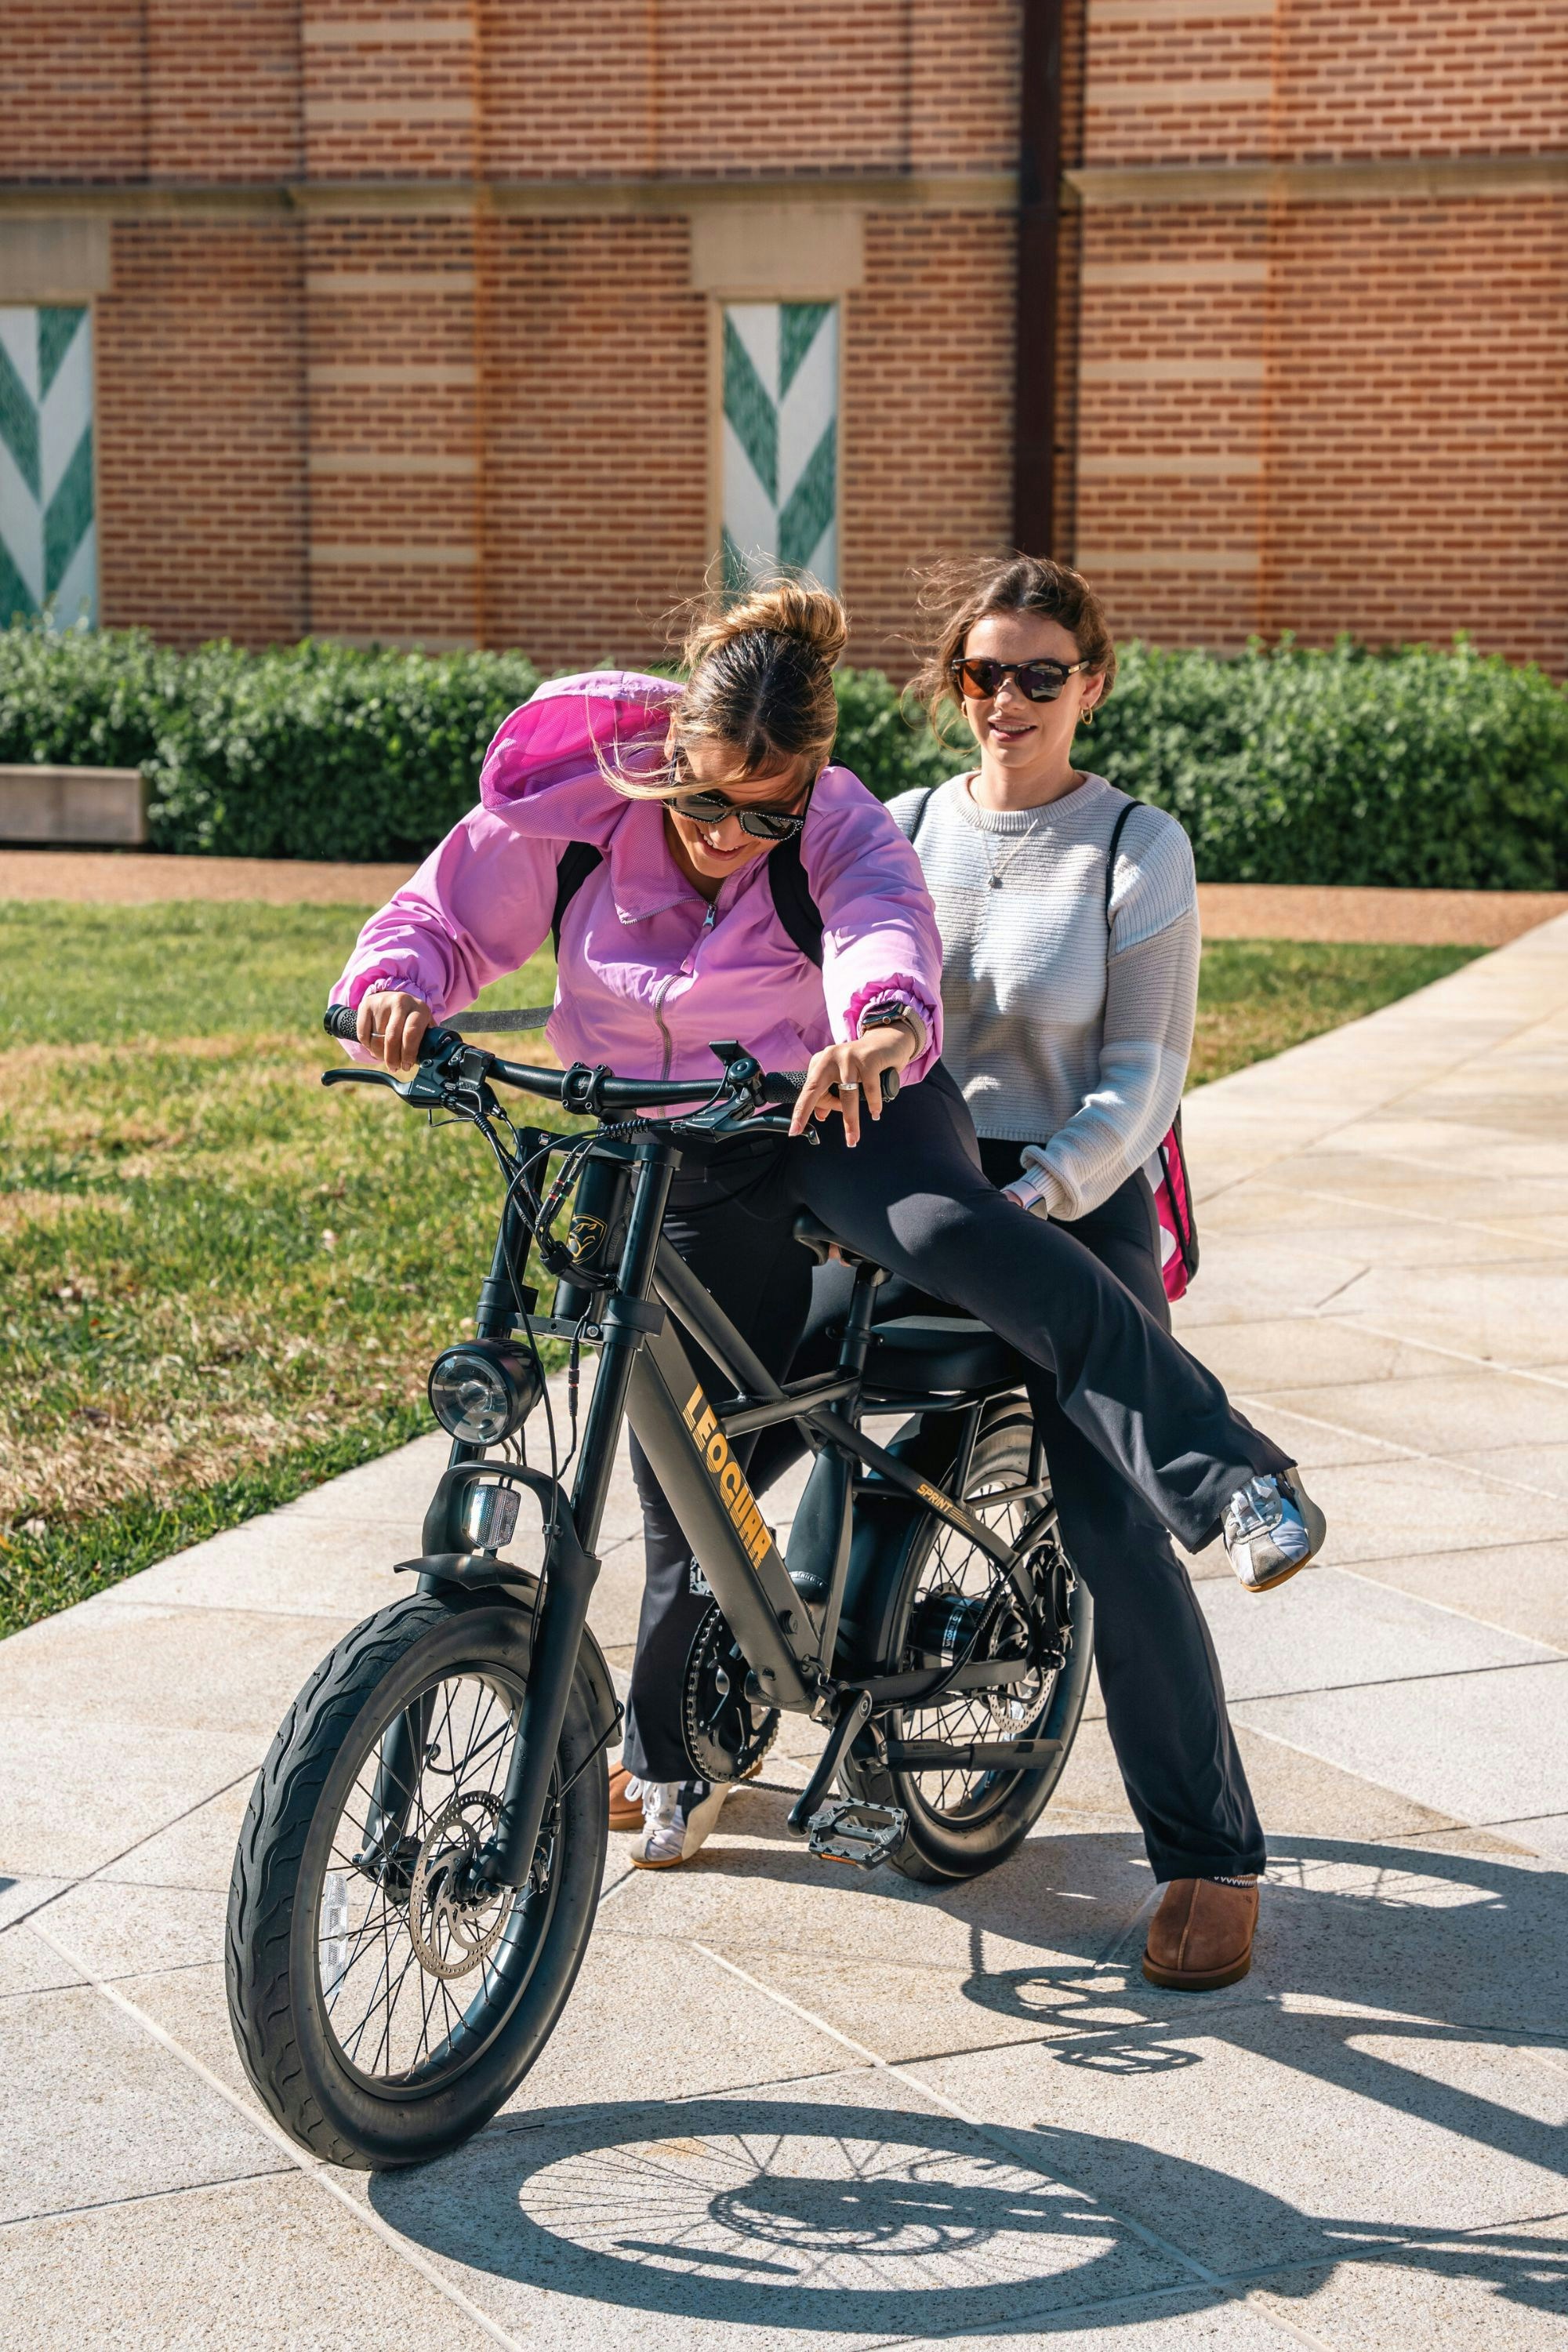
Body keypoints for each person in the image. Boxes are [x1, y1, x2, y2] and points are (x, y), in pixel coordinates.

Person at [331, 579, 1323, 1896]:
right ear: (665, 748)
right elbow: (452, 911)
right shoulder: (588, 799)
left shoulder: (907, 826)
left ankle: (1226, 1495)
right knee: (693, 1442)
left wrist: (883, 1030)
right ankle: (679, 1742)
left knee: (975, 1257)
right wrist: (391, 987)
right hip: (666, 1133)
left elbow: (880, 934)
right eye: (702, 799)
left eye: (766, 808)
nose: (731, 834)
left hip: (853, 1111)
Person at [750, 554, 1295, 1990]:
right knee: (742, 1398)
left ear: (1091, 686)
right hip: (905, 1177)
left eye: (1040, 675)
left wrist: (1038, 1203)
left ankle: (1209, 1852)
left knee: (1110, 1517)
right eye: (984, 674)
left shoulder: (1135, 845)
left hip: (1075, 1189)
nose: (1008, 700)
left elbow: (1145, 1081)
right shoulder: (903, 827)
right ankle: (689, 1725)